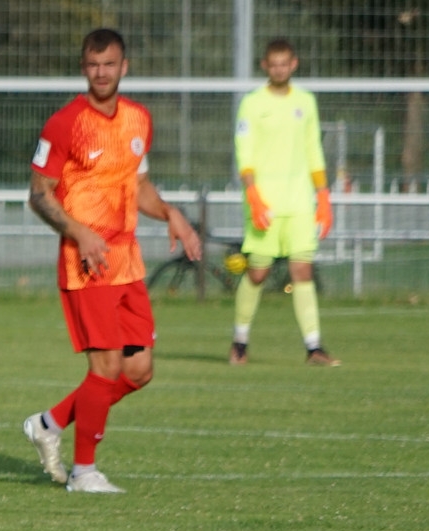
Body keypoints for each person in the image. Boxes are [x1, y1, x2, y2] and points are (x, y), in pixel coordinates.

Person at [23, 28, 202, 494]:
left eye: (110, 64)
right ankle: (84, 472)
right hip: (87, 264)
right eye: (93, 64)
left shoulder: (139, 119)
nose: (101, 72)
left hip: (129, 262)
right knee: (104, 369)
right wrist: (78, 231)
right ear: (84, 68)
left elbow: (137, 185)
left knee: (138, 370)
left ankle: (50, 422)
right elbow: (38, 195)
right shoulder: (64, 124)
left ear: (125, 67)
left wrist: (172, 214)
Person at [230, 38, 339, 367]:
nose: (279, 68)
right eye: (273, 63)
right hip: (264, 202)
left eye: (284, 63)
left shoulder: (306, 102)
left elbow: (313, 149)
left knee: (302, 270)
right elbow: (243, 149)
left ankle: (313, 347)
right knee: (258, 273)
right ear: (265, 66)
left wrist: (323, 195)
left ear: (294, 64)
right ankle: (240, 341)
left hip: (299, 202)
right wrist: (252, 193)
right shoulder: (252, 103)